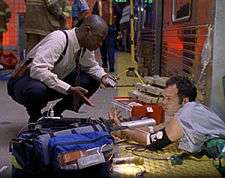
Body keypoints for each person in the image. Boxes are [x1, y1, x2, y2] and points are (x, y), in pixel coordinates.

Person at [7, 15, 115, 123]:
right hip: (23, 83)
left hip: (49, 82)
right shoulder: (59, 39)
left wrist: (103, 76)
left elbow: (91, 66)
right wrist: (68, 88)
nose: (100, 44)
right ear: (88, 31)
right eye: (99, 39)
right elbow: (38, 70)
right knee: (36, 90)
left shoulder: (84, 46)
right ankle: (35, 117)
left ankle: (55, 113)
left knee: (93, 80)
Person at [109, 76, 225, 154]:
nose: (163, 103)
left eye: (169, 99)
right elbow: (153, 130)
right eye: (163, 97)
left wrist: (122, 129)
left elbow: (154, 142)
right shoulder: (187, 111)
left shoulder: (189, 112)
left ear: (185, 100)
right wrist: (122, 127)